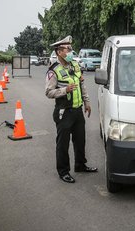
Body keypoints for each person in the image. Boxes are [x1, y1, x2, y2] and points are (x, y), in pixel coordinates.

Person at [45, 36, 97, 183]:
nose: (71, 52)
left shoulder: (75, 65)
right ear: (59, 52)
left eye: (70, 49)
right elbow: (48, 92)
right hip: (64, 112)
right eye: (68, 49)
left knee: (80, 141)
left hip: (77, 110)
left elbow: (82, 85)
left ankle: (80, 165)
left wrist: (87, 102)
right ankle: (63, 172)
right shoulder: (53, 71)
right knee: (63, 144)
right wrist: (64, 90)